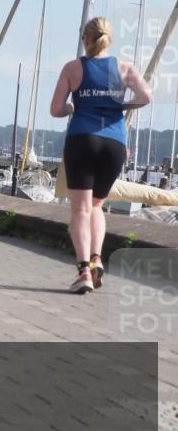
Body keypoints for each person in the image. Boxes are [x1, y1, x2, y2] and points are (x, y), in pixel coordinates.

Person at [50, 17, 152, 294]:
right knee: (97, 206)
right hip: (114, 144)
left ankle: (83, 270)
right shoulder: (124, 68)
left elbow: (55, 109)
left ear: (85, 39)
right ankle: (97, 259)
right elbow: (146, 97)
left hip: (82, 139)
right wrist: (120, 105)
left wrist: (73, 109)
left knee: (80, 210)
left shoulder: (73, 68)